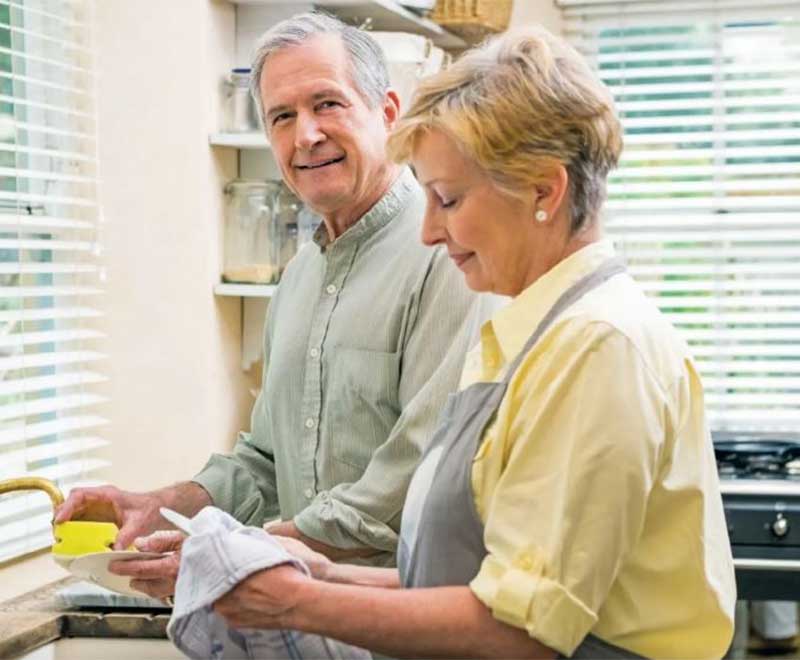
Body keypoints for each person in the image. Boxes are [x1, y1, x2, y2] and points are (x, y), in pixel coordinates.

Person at [207, 25, 737, 659]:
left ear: (544, 190)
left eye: (449, 199)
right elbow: (489, 583)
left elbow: (522, 629)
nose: (428, 231)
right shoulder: (532, 337)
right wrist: (323, 573)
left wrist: (298, 602)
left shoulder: (598, 348)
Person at [55, 12, 491, 597]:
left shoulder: (448, 256)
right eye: (281, 117)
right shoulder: (301, 274)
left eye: (327, 104)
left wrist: (229, 553)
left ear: (388, 114)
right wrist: (159, 506)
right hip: (304, 619)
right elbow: (264, 461)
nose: (305, 135)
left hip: (406, 624)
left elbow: (414, 477)